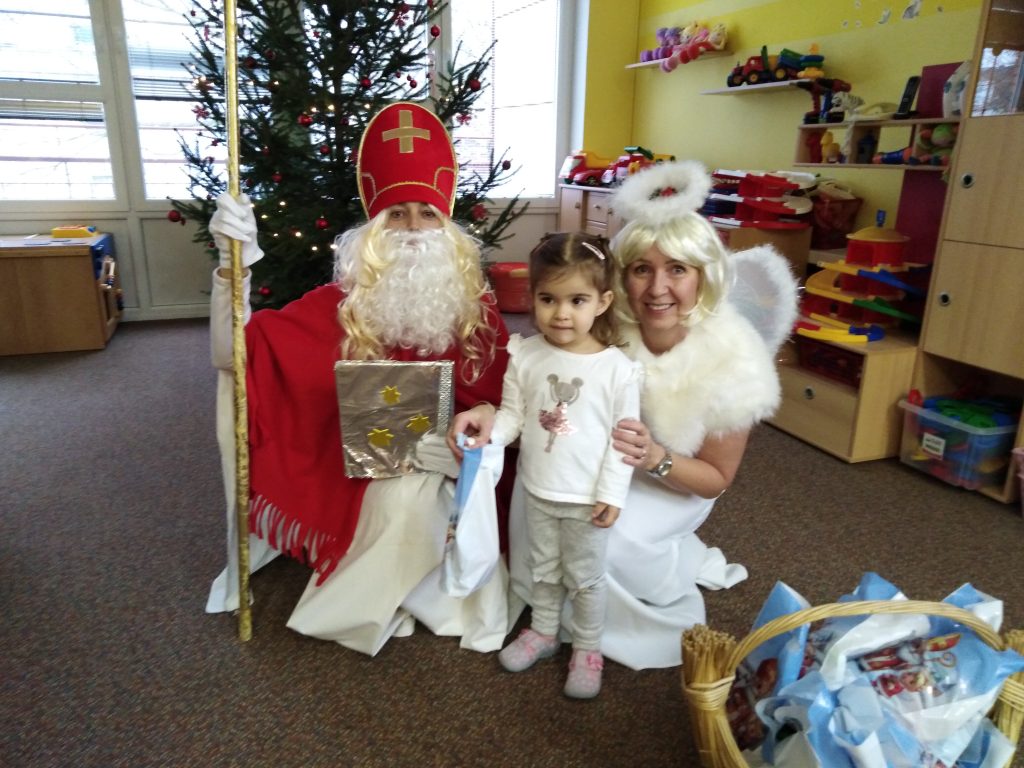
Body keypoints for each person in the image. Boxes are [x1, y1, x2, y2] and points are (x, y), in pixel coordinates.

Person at [450, 160, 798, 670]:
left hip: (673, 481)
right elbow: (539, 388)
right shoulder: (601, 322)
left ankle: (598, 634)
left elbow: (715, 480)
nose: (657, 288)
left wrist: (656, 458)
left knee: (606, 538)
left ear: (703, 275)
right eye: (642, 269)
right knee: (538, 498)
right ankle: (548, 620)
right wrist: (489, 411)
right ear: (621, 279)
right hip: (588, 460)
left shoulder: (736, 361)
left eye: (677, 269)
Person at [204, 101, 514, 656]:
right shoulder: (340, 304)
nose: (412, 228)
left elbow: (504, 397)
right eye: (396, 214)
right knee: (398, 504)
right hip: (353, 460)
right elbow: (234, 356)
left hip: (453, 463)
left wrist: (484, 417)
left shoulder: (476, 311)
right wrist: (234, 269)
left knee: (419, 503)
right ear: (372, 230)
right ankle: (373, 601)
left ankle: (402, 595)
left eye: (427, 214)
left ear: (447, 228)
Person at [453, 233, 641, 699]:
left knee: (585, 577)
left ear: (603, 302)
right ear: (532, 297)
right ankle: (543, 631)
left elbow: (623, 442)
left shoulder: (618, 370)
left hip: (586, 499)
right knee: (542, 568)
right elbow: (513, 417)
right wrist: (488, 435)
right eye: (548, 299)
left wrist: (612, 494)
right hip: (537, 489)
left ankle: (588, 649)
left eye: (577, 300)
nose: (561, 313)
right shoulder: (527, 355)